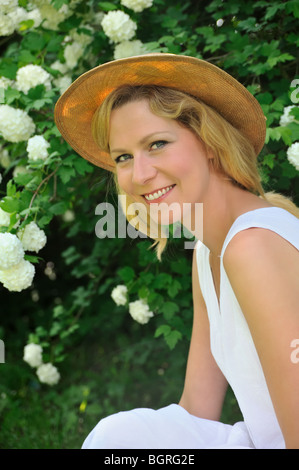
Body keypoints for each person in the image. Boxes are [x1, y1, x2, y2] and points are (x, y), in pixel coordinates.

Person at [55, 54, 299, 449]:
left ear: (208, 142)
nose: (140, 174)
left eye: (157, 144)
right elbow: (194, 415)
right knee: (120, 439)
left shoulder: (254, 247)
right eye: (123, 158)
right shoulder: (209, 250)